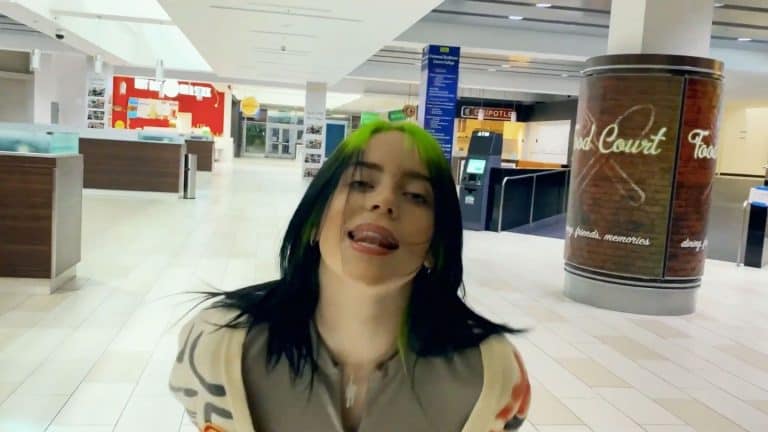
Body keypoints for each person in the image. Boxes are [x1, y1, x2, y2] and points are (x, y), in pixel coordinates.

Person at [169, 121, 531, 432]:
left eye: (415, 195)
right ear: (314, 219)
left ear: (437, 245)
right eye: (360, 183)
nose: (384, 201)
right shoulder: (218, 346)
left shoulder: (493, 376)